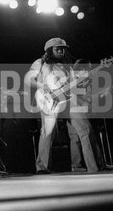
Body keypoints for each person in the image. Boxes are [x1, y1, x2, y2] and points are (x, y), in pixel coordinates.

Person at [25, 38, 102, 173]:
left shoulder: (68, 65)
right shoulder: (40, 62)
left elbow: (72, 85)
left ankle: (94, 167)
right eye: (57, 48)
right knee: (47, 133)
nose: (61, 50)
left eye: (63, 48)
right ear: (49, 50)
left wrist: (83, 81)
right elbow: (29, 79)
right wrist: (43, 86)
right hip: (49, 100)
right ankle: (42, 168)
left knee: (86, 129)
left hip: (69, 101)